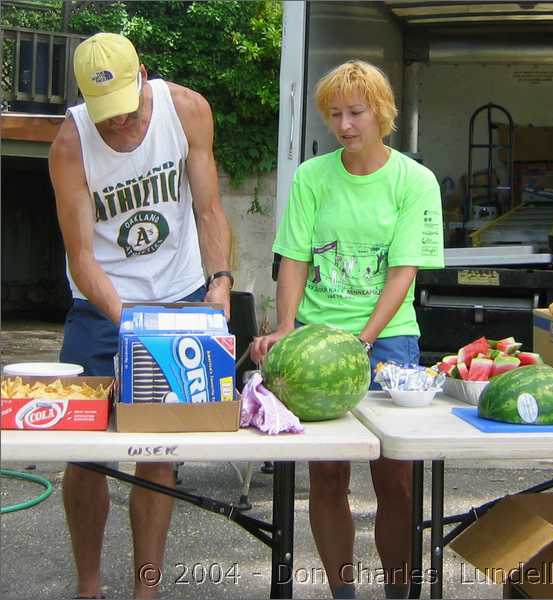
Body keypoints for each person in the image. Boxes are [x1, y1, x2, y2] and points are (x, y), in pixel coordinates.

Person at [48, 32, 233, 599]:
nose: (118, 127)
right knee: (86, 456)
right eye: (105, 117)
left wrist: (220, 283)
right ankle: (88, 587)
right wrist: (126, 318)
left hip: (178, 297)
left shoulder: (187, 111)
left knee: (159, 453)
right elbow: (82, 256)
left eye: (125, 113)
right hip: (101, 305)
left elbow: (207, 210)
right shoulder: (70, 144)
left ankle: (146, 589)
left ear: (144, 75)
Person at [251, 60, 444, 599]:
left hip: (388, 342)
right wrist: (288, 329)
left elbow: (404, 271)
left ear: (382, 113)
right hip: (316, 336)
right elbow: (293, 258)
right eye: (335, 114)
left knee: (394, 478)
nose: (344, 124)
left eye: (356, 112)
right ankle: (343, 594)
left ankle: (399, 592)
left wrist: (360, 342)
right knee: (328, 477)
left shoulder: (415, 181)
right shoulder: (312, 177)